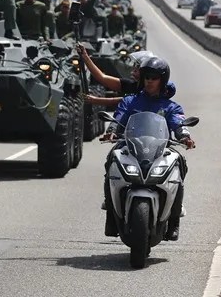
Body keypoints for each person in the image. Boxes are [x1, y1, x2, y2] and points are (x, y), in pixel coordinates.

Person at [101, 57, 194, 241]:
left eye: (154, 77)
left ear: (163, 79)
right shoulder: (130, 101)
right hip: (130, 146)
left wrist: (185, 136)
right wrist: (111, 131)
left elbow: (178, 123)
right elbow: (119, 118)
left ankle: (174, 220)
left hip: (160, 150)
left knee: (179, 163)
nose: (149, 81)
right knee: (112, 158)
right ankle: (111, 214)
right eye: (146, 77)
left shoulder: (170, 106)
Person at [77, 46, 176, 106]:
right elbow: (102, 78)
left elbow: (121, 101)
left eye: (136, 68)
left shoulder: (159, 92)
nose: (133, 71)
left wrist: (95, 100)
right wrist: (85, 57)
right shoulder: (133, 85)